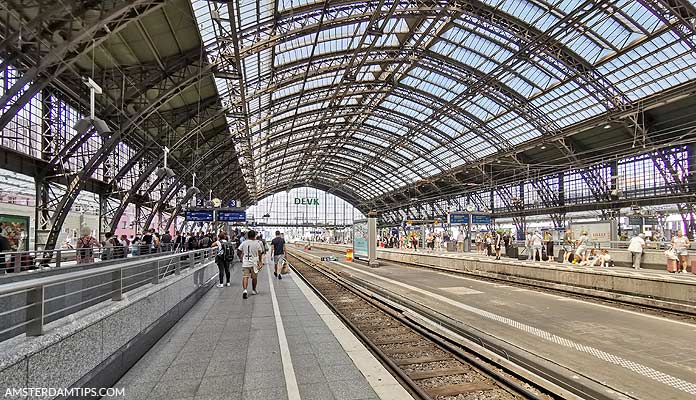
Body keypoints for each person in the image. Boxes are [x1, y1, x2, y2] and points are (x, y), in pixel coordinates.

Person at [238, 230, 264, 299]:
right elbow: (260, 253)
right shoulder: (257, 243)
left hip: (246, 262)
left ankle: (245, 290)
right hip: (254, 263)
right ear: (254, 236)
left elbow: (239, 250)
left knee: (245, 277)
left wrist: (240, 257)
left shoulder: (244, 243)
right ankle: (253, 290)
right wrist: (260, 261)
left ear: (248, 236)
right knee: (254, 277)